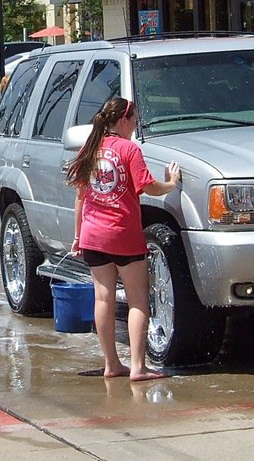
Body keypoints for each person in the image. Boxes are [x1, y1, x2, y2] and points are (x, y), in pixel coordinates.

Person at [65, 96, 179, 382]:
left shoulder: (89, 149)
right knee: (137, 300)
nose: (136, 126)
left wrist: (77, 235)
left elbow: (80, 198)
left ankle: (111, 364)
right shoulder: (129, 149)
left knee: (102, 298)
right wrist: (171, 183)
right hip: (123, 234)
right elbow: (149, 187)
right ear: (124, 121)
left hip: (92, 235)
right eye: (135, 121)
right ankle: (138, 367)